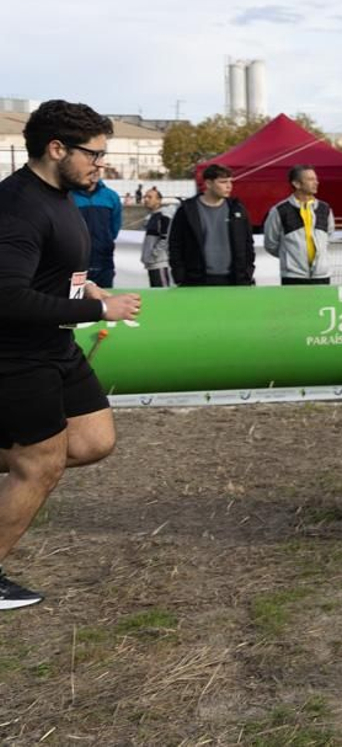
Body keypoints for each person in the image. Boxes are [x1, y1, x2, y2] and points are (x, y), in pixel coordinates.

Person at [0, 100, 142, 608]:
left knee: (92, 440)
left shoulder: (61, 193)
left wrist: (92, 293)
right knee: (41, 464)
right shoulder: (17, 207)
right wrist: (98, 314)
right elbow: (8, 297)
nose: (100, 164)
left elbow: (51, 276)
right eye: (94, 154)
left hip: (57, 344)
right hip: (16, 354)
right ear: (56, 148)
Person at [168, 165, 255, 286]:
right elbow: (175, 244)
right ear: (208, 183)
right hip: (196, 281)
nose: (229, 186)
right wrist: (179, 276)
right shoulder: (187, 210)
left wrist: (247, 273)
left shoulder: (237, 209)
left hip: (234, 280)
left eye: (230, 181)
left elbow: (248, 244)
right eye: (223, 182)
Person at [262, 165, 334, 286]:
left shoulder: (325, 209)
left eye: (316, 179)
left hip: (322, 275)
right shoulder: (279, 210)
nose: (316, 182)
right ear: (296, 184)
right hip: (293, 276)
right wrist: (289, 259)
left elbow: (329, 237)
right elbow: (270, 244)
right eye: (310, 179)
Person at [70, 178, 121, 289]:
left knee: (105, 298)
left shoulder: (111, 196)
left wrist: (105, 241)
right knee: (76, 298)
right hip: (77, 260)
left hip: (104, 259)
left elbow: (114, 227)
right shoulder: (69, 196)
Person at [139, 188, 173, 287]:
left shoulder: (164, 216)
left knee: (163, 295)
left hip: (159, 263)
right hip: (152, 263)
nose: (146, 199)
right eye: (145, 197)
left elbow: (165, 238)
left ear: (159, 200)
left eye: (150, 197)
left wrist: (155, 254)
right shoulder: (152, 216)